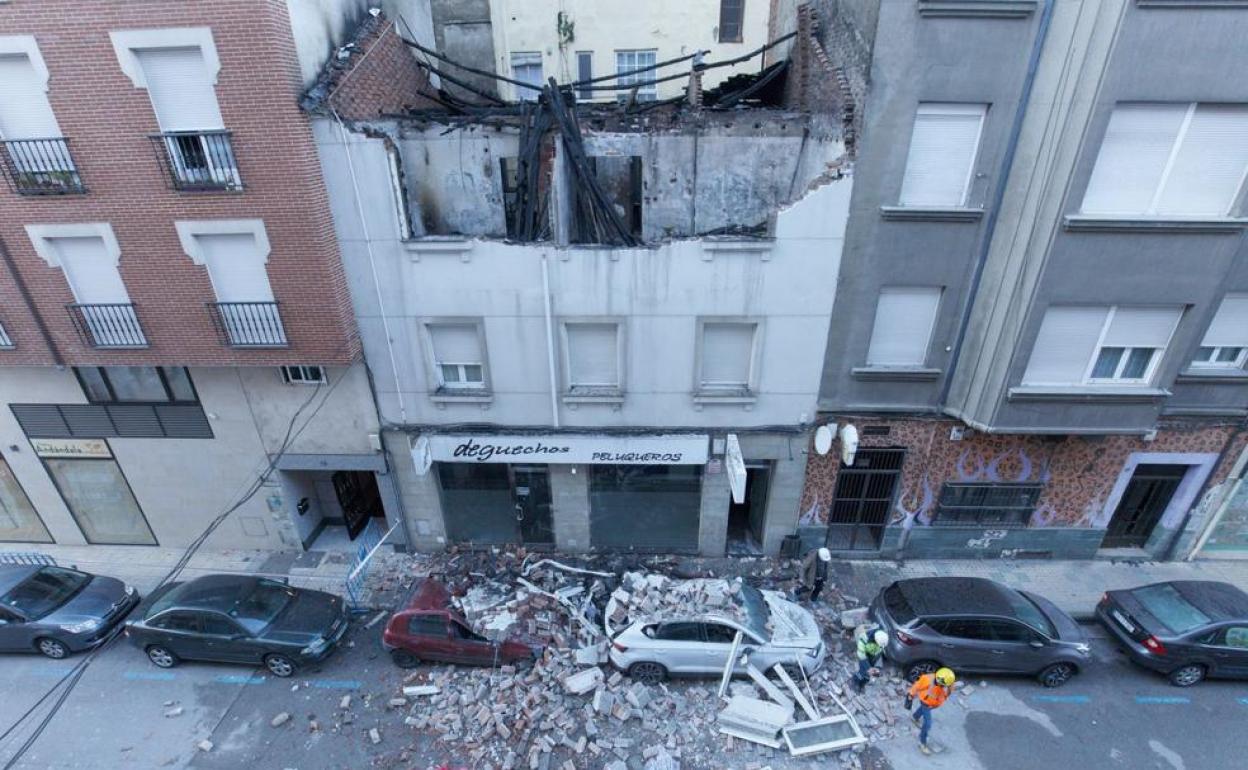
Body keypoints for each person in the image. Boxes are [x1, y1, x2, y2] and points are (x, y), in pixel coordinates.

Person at [906, 667, 954, 755]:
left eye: (943, 685)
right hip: (925, 701)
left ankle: (914, 717)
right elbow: (917, 685)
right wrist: (911, 694)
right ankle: (922, 742)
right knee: (927, 724)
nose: (939, 684)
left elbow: (947, 692)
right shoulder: (927, 679)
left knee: (924, 710)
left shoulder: (948, 683)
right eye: (939, 682)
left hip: (933, 704)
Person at [852, 627, 889, 693]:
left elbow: (880, 652)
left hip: (873, 655)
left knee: (870, 674)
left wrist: (877, 667)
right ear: (876, 640)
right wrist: (868, 668)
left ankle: (862, 684)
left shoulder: (882, 638)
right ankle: (855, 682)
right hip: (864, 656)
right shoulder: (864, 638)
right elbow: (861, 654)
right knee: (863, 671)